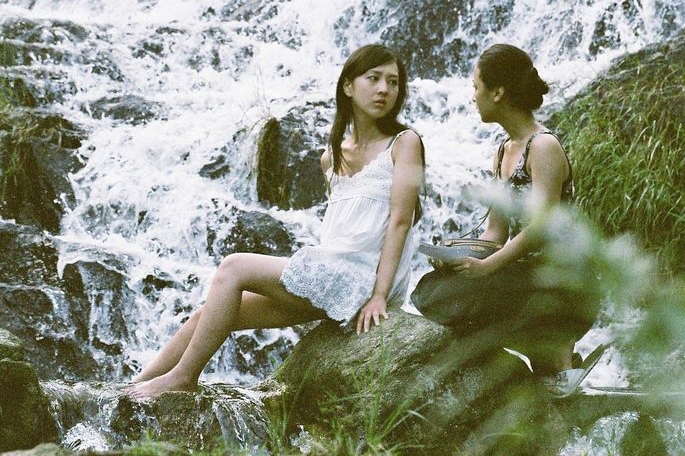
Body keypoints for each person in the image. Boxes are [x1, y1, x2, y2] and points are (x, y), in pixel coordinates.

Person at [128, 44, 425, 399]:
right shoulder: (331, 158)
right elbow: (343, 232)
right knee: (210, 313)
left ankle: (183, 378)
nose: (384, 90)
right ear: (348, 86)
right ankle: (129, 387)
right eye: (373, 79)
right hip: (333, 278)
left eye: (393, 82)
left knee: (233, 268)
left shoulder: (405, 143)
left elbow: (400, 220)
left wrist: (379, 296)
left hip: (361, 281)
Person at [410, 44, 600, 395]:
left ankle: (558, 351)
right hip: (522, 275)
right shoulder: (503, 151)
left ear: (497, 92)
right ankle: (553, 361)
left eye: (476, 87)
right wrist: (456, 254)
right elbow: (495, 233)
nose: (473, 96)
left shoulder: (543, 146)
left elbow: (540, 228)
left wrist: (486, 267)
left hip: (563, 280)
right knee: (434, 290)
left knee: (455, 296)